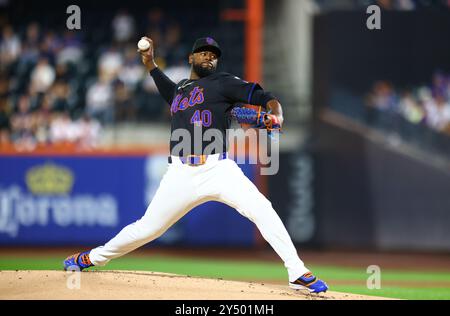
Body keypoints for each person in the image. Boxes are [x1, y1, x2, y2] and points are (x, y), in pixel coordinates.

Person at [63, 36, 328, 293]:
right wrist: (151, 66)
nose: (209, 57)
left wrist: (276, 111)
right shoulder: (181, 89)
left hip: (218, 169)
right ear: (191, 57)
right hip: (179, 173)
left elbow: (261, 95)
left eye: (213, 55)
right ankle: (92, 258)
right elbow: (170, 92)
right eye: (203, 53)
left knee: (262, 209)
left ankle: (297, 272)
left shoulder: (223, 83)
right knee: (147, 228)